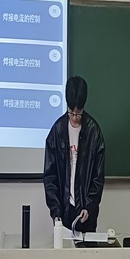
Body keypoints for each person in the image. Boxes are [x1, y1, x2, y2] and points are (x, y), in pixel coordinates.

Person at [43, 75, 105, 233]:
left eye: (79, 113)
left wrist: (89, 206)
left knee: (87, 248)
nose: (75, 117)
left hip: (86, 214)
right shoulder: (57, 131)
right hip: (64, 211)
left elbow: (98, 177)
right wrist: (56, 211)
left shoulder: (93, 132)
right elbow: (50, 176)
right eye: (71, 113)